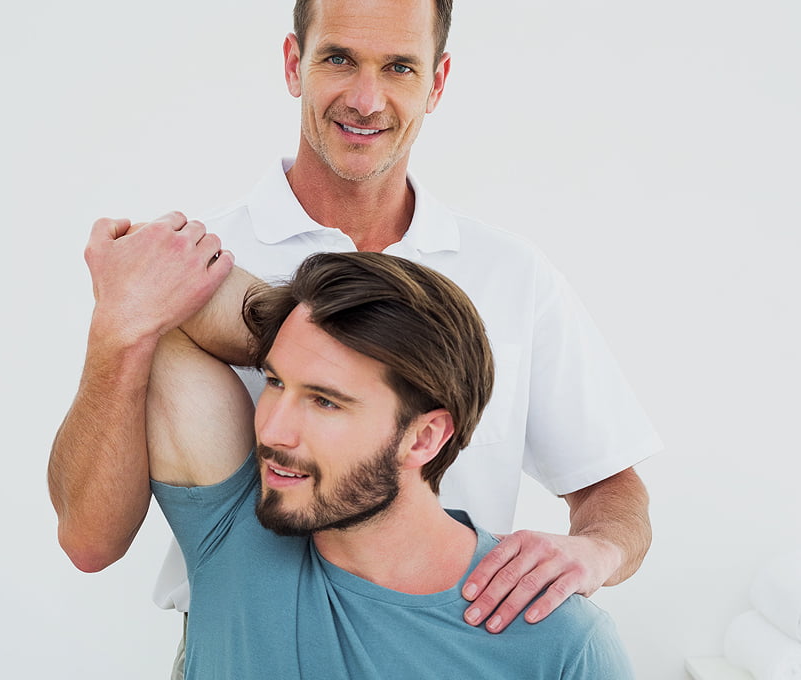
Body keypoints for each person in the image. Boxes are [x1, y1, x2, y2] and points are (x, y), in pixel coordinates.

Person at [48, 0, 662, 670]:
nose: (367, 99)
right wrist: (126, 321)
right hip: (253, 634)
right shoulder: (202, 257)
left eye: (399, 67)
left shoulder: (512, 274)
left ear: (437, 81)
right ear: (294, 65)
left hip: (462, 648)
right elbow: (90, 541)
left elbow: (611, 488)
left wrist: (597, 550)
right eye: (339, 58)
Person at [130, 246, 633, 678]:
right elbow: (157, 285)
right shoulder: (230, 530)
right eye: (276, 381)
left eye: (326, 401)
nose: (273, 431)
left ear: (424, 438)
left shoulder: (560, 642)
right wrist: (308, 332)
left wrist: (604, 545)